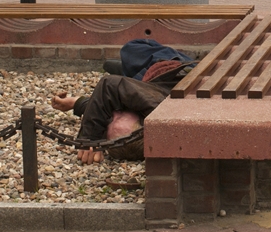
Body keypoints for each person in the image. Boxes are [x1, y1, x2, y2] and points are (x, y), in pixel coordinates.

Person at [52, 39, 194, 164]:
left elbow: (103, 110)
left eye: (109, 119)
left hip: (151, 83)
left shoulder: (134, 120)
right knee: (132, 47)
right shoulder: (155, 109)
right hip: (173, 67)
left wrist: (77, 103)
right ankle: (129, 73)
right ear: (143, 121)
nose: (114, 113)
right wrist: (89, 139)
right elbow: (109, 85)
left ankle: (129, 73)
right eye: (119, 116)